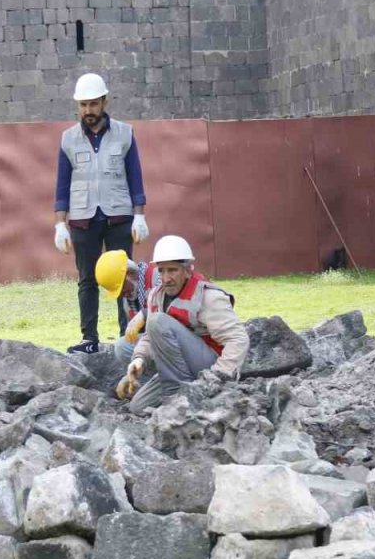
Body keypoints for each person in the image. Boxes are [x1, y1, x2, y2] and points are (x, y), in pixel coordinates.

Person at [54, 72, 148, 355]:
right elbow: (62, 184)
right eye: (83, 105)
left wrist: (140, 214)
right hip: (83, 219)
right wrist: (60, 224)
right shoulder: (68, 139)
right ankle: (89, 338)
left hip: (119, 216)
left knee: (126, 278)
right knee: (87, 279)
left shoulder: (125, 133)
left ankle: (126, 335)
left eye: (93, 104)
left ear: (104, 102)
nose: (88, 111)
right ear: (77, 106)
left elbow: (135, 176)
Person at [117, 235, 249, 415]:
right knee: (138, 407)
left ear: (188, 270)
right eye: (161, 271)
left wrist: (218, 377)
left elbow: (238, 339)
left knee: (156, 320)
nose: (166, 278)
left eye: (172, 270)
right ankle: (178, 391)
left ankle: (180, 396)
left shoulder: (207, 296)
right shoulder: (156, 295)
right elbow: (151, 335)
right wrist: (138, 360)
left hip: (208, 366)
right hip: (180, 366)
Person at [94, 248, 159, 361]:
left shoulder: (157, 277)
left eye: (121, 288)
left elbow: (170, 312)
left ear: (130, 273)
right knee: (122, 346)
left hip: (172, 339)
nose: (122, 295)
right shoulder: (127, 303)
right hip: (151, 342)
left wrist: (144, 314)